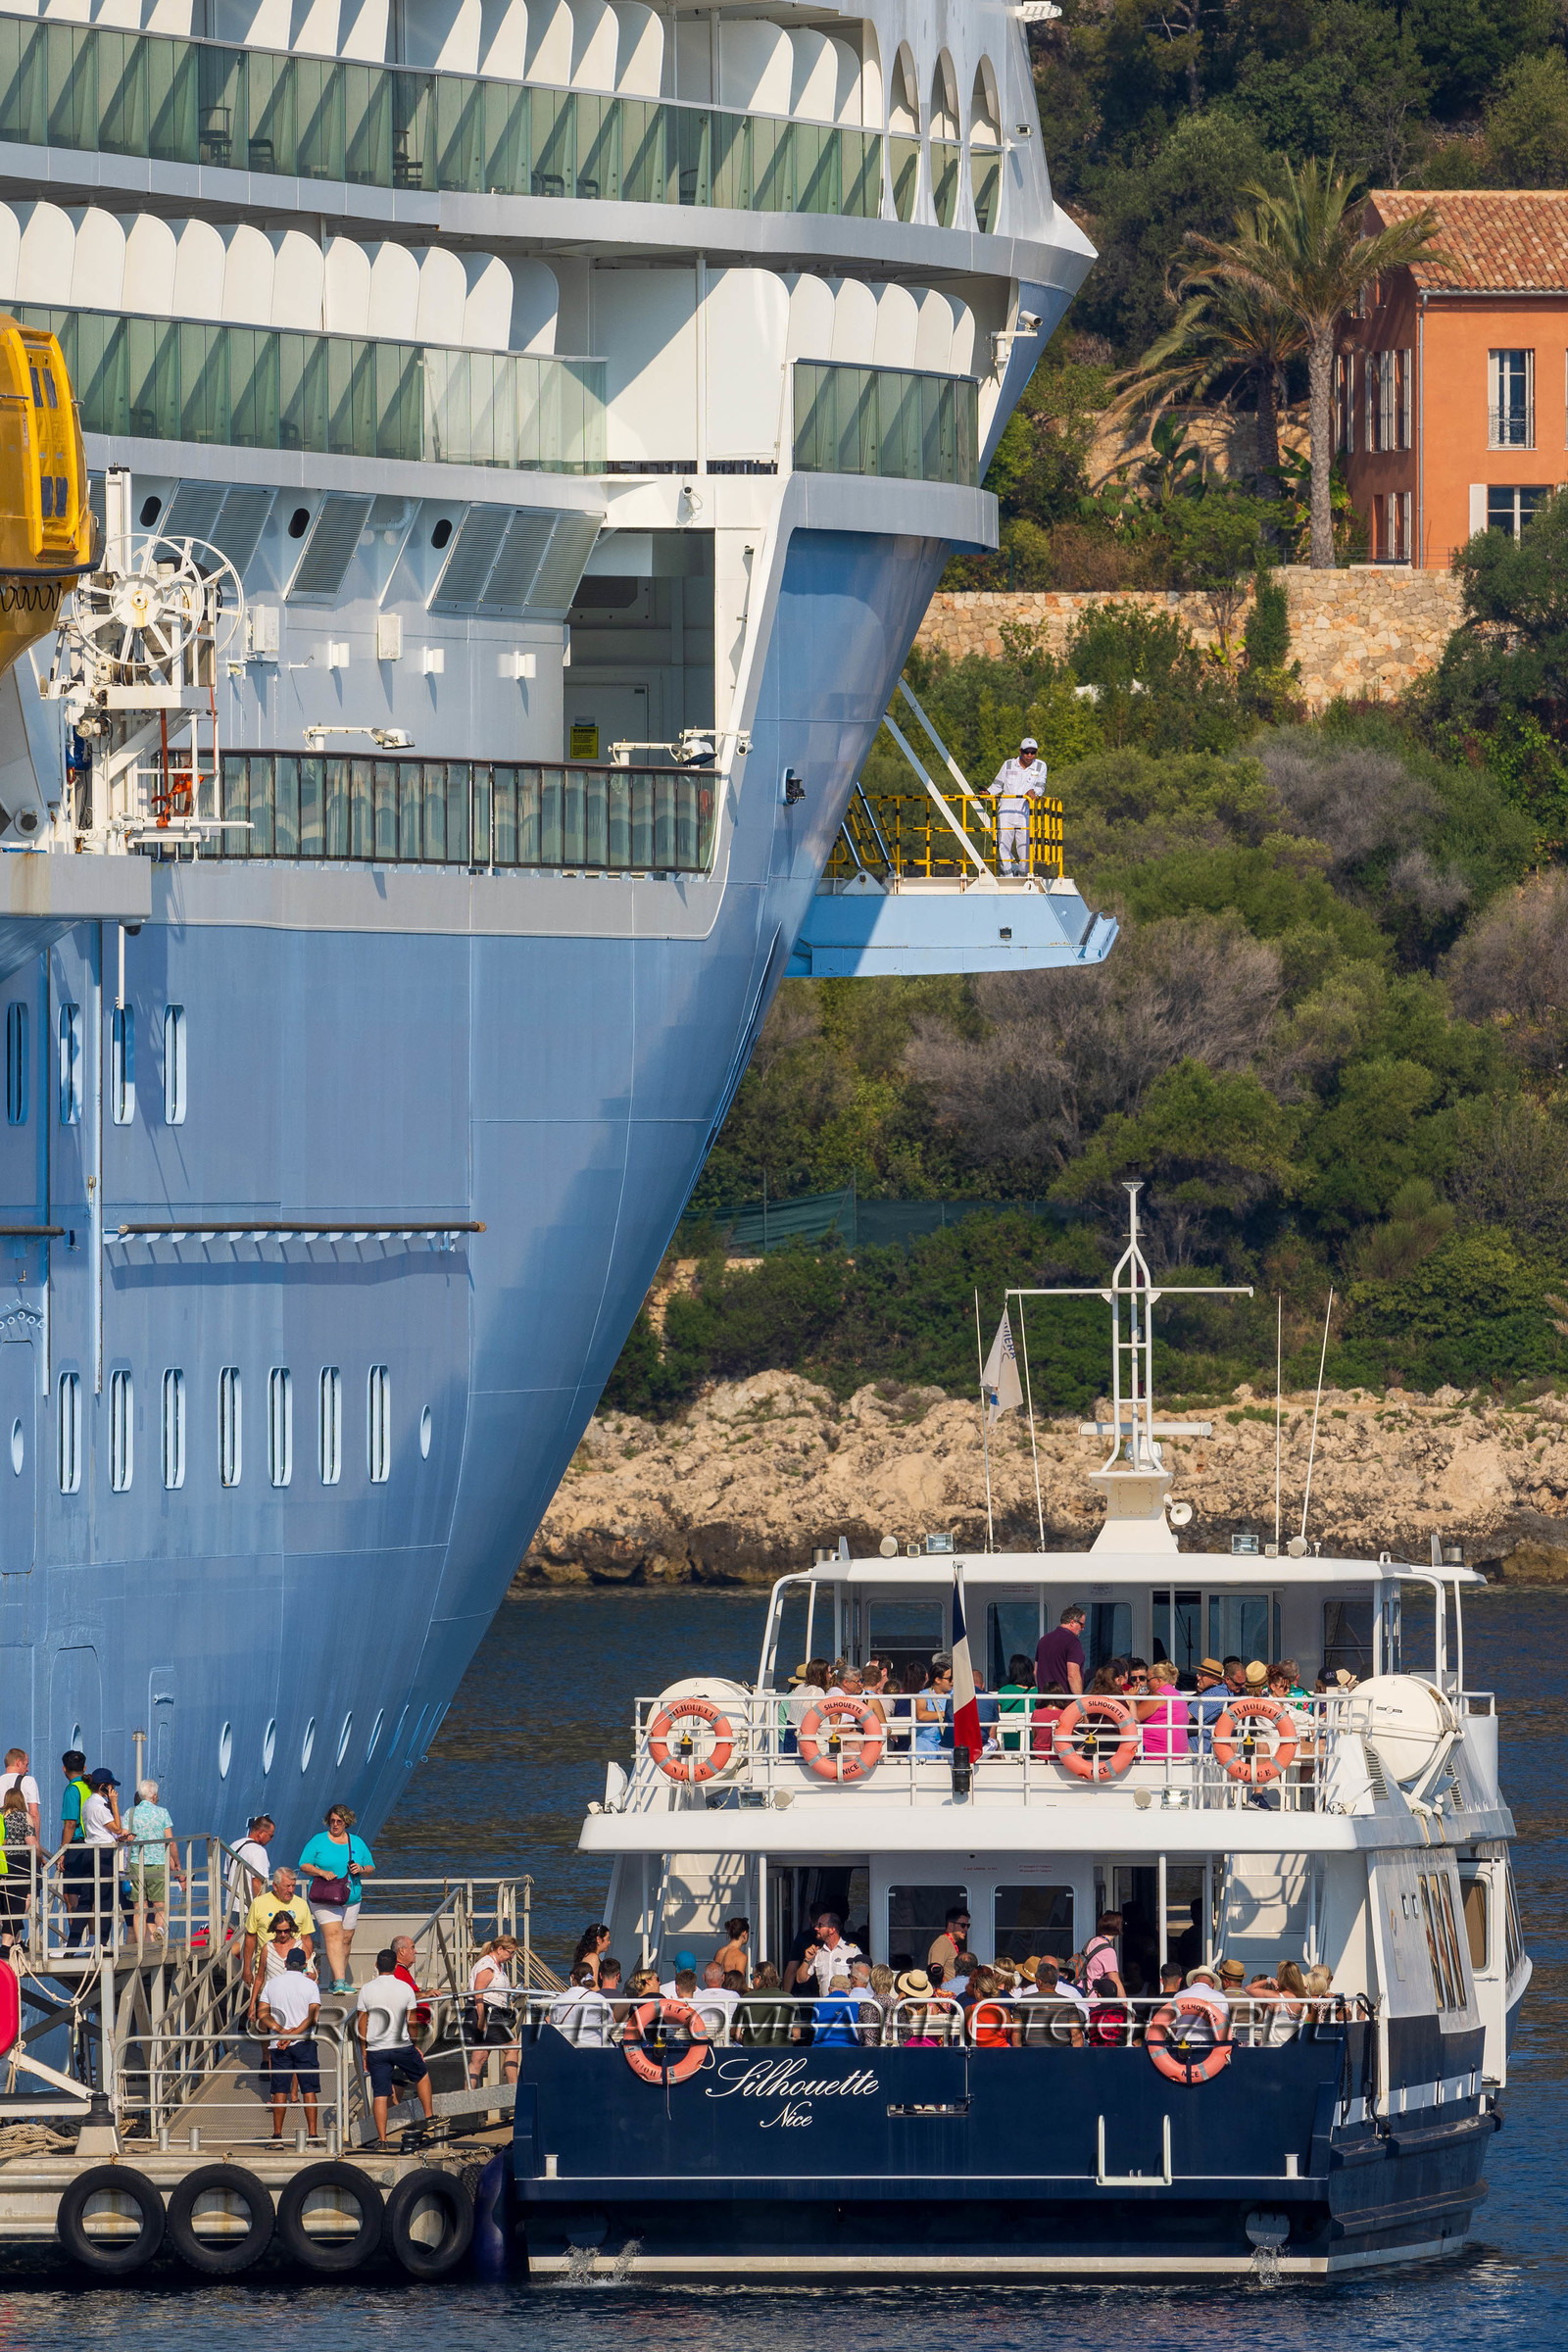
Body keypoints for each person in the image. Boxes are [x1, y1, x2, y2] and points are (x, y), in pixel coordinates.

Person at [357, 1947, 436, 2146]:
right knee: (422, 2075)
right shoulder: (405, 1988)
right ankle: (429, 2117)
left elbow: (361, 2024)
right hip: (401, 2045)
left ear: (377, 1965)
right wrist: (415, 2044)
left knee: (380, 2094)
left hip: (376, 2049)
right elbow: (411, 2022)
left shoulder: (367, 1989)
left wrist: (364, 2052)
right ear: (394, 1966)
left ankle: (382, 2140)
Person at [298, 1803, 374, 1992]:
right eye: (332, 1821)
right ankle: (340, 1982)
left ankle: (334, 1980)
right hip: (324, 1896)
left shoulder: (356, 1842)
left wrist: (361, 1869)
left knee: (346, 1938)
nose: (335, 1824)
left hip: (350, 1896)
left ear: (346, 1822)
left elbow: (371, 1866)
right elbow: (303, 1864)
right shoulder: (319, 1840)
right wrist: (321, 1872)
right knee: (334, 1935)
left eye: (339, 1821)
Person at [258, 1946, 321, 2141]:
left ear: (285, 1964)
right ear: (303, 1965)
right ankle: (312, 2134)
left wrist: (282, 2031)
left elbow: (262, 2014)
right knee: (309, 2090)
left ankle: (277, 2136)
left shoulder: (272, 1984)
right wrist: (293, 2035)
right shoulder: (311, 1985)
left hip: (278, 2044)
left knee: (279, 2091)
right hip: (304, 2043)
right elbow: (312, 2018)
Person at [244, 1868, 316, 2018]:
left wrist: (310, 1967)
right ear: (275, 1886)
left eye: (293, 1886)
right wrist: (246, 1968)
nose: (291, 1890)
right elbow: (250, 1937)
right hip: (268, 1971)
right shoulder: (258, 1903)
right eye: (287, 1886)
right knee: (265, 2022)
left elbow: (306, 1938)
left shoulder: (302, 1904)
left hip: (296, 1973)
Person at [124, 1778, 182, 1943]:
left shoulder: (131, 1812)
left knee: (139, 1909)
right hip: (158, 1864)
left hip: (136, 1863)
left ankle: (141, 1945)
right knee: (160, 1906)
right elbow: (171, 1842)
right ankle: (160, 1929)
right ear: (154, 1796)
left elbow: (124, 1835)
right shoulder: (162, 1812)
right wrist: (177, 1864)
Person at [466, 1935, 521, 2085]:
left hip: (490, 2011)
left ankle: (466, 2096)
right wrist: (481, 2018)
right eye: (510, 1952)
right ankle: (514, 2090)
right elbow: (478, 1991)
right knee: (513, 2047)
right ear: (499, 1949)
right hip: (486, 2011)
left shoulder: (497, 1965)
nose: (511, 1957)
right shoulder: (487, 1965)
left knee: (479, 2057)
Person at [989, 734, 1047, 876]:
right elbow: (997, 785)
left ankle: (1023, 875)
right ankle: (1007, 875)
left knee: (1026, 847)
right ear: (1020, 751)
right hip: (1006, 811)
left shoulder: (1040, 766)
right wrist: (987, 793)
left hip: (1025, 812)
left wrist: (1035, 792)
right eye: (1026, 752)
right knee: (1003, 844)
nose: (1029, 755)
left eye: (1033, 752)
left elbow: (1040, 786)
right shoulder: (1008, 764)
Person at [0, 1787, 34, 1956]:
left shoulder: (1, 1815)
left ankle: (17, 1940)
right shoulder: (23, 1816)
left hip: (2, 1861)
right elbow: (31, 1841)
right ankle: (6, 1946)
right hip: (19, 1861)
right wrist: (40, 1856)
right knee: (19, 1903)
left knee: (6, 1903)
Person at [548, 1961, 615, 2048]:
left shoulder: (559, 1999)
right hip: (595, 2047)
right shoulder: (599, 1999)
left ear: (572, 1977)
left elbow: (554, 2024)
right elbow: (609, 2024)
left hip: (566, 2048)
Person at [1019, 1959, 1085, 2046]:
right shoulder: (1069, 2003)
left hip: (1031, 2052)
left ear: (1038, 1981)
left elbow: (1016, 2033)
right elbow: (1077, 2036)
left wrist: (1019, 2056)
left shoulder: (1023, 2000)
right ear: (1056, 1981)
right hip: (1061, 2052)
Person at [1140, 1661, 1192, 1760]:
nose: (1147, 1684)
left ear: (1158, 1681)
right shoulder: (1178, 1696)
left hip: (1155, 1756)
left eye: (1148, 1680)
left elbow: (1132, 1717)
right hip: (1176, 1755)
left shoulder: (1158, 1697)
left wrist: (1131, 1700)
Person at [1036, 1603, 1087, 1699]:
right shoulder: (1073, 1642)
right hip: (1063, 1704)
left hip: (1043, 1703)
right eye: (1081, 1625)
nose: (1083, 1629)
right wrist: (1080, 1702)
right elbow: (1073, 1675)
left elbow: (1035, 1672)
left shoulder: (1043, 1640)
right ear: (1072, 1622)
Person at [737, 1961, 793, 2046]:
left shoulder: (746, 1998)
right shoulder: (789, 1998)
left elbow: (735, 2033)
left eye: (752, 1977)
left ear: (759, 1978)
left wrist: (747, 2043)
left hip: (752, 2052)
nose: (752, 1981)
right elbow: (796, 2034)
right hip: (782, 2054)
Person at [391, 1933, 434, 2044]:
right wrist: (425, 1994)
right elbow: (402, 1996)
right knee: (414, 2059)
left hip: (417, 2023)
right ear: (402, 1951)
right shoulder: (398, 1971)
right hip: (412, 2025)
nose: (415, 1951)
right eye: (412, 1948)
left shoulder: (403, 1970)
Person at [228, 1814, 275, 1915]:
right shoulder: (259, 1851)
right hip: (248, 1908)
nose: (271, 1839)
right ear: (261, 1833)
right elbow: (257, 1882)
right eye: (271, 1836)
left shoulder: (233, 1846)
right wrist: (262, 1911)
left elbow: (228, 1875)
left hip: (231, 1906)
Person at [694, 1958, 741, 2041]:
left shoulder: (695, 1997)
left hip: (703, 2040)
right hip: (727, 2040)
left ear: (704, 1977)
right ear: (723, 1977)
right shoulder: (734, 1996)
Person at [914, 1658, 954, 1755]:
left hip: (950, 1742)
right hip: (928, 1741)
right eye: (949, 1678)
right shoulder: (923, 1694)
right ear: (937, 1680)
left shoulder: (956, 1694)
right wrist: (945, 1714)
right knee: (917, 1752)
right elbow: (921, 1715)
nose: (952, 1681)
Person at [998, 1655, 1036, 1752]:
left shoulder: (1004, 1691)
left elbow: (996, 1717)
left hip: (1008, 1744)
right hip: (1033, 1745)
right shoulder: (1040, 1693)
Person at [1083, 1913, 1126, 1998]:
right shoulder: (1107, 1951)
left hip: (1084, 1992)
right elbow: (1115, 1980)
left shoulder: (1092, 1941)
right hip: (1097, 1996)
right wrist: (1127, 2005)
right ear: (1118, 1926)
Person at [1192, 1658, 1229, 1754]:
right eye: (1198, 1674)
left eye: (1202, 1675)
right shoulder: (1220, 1691)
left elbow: (1185, 1715)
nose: (1198, 1678)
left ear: (1215, 1679)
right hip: (1199, 1744)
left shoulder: (1214, 1694)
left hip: (1197, 1746)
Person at [0, 1749, 39, 1838]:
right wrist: (36, 1844)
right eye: (26, 1764)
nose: (27, 1769)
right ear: (18, 1763)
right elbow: (34, 1814)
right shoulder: (28, 1781)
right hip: (20, 1839)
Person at [928, 1903, 971, 1980]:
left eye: (968, 1926)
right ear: (951, 1925)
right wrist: (948, 1987)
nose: (966, 1929)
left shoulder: (949, 1943)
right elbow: (936, 1972)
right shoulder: (942, 1943)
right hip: (946, 1990)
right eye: (963, 1925)